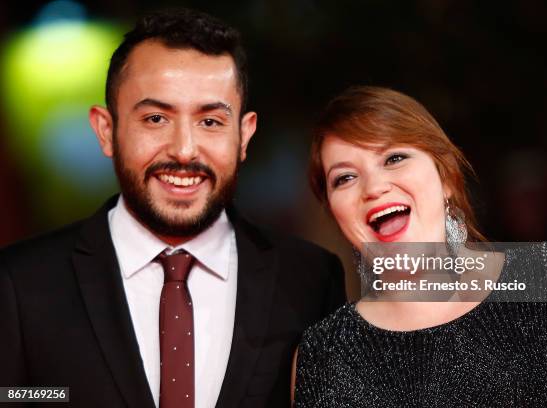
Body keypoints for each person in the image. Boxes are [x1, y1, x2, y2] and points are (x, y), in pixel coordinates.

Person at [0, 9, 345, 408]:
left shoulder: (310, 280)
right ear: (106, 130)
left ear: (244, 135)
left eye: (211, 122)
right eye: (156, 118)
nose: (184, 150)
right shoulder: (19, 284)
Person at [292, 86, 547, 407]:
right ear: (334, 211)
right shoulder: (325, 355)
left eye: (395, 158)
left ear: (445, 177)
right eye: (345, 178)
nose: (374, 188)